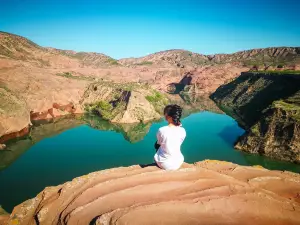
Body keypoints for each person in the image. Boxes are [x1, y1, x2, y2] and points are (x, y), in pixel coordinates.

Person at [154, 104, 186, 170]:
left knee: (156, 145)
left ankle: (157, 163)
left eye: (165, 113)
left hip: (165, 164)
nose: (164, 115)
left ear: (168, 116)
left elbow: (158, 143)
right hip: (178, 161)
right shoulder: (183, 130)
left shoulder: (162, 130)